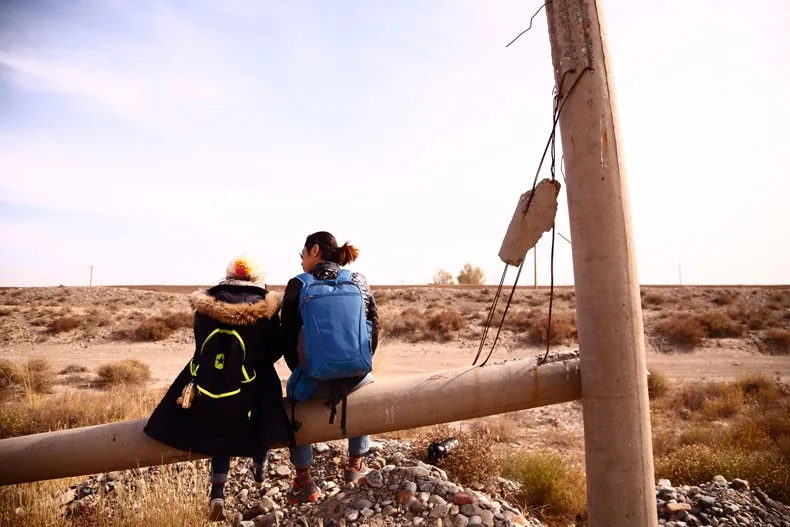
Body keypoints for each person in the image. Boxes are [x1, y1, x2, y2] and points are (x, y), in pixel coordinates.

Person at [144, 255, 292, 522]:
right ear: (257, 279)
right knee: (263, 414)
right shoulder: (267, 306)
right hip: (252, 379)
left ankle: (217, 492)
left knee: (220, 422)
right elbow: (273, 349)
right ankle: (259, 467)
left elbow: (200, 344)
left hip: (211, 380)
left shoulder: (205, 305)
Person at [281, 231, 379, 504]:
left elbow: (286, 339)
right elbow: (373, 330)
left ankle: (304, 480)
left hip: (312, 380)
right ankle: (355, 464)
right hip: (356, 378)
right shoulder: (359, 281)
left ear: (314, 250)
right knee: (367, 385)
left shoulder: (298, 284)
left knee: (293, 402)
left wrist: (307, 370)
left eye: (302, 253)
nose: (301, 260)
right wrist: (356, 364)